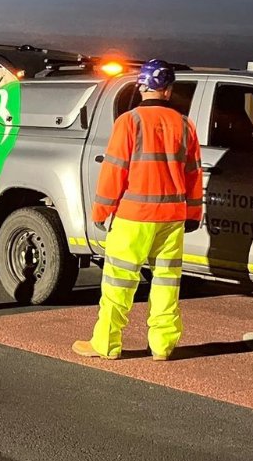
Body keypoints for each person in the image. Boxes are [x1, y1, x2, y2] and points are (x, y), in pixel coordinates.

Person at [72, 59, 203, 361]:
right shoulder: (185, 125)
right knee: (167, 283)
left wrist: (101, 210)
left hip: (134, 217)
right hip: (172, 219)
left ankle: (105, 344)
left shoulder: (129, 122)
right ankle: (162, 345)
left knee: (119, 282)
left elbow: (114, 170)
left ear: (142, 86)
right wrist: (194, 214)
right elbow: (194, 174)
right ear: (169, 90)